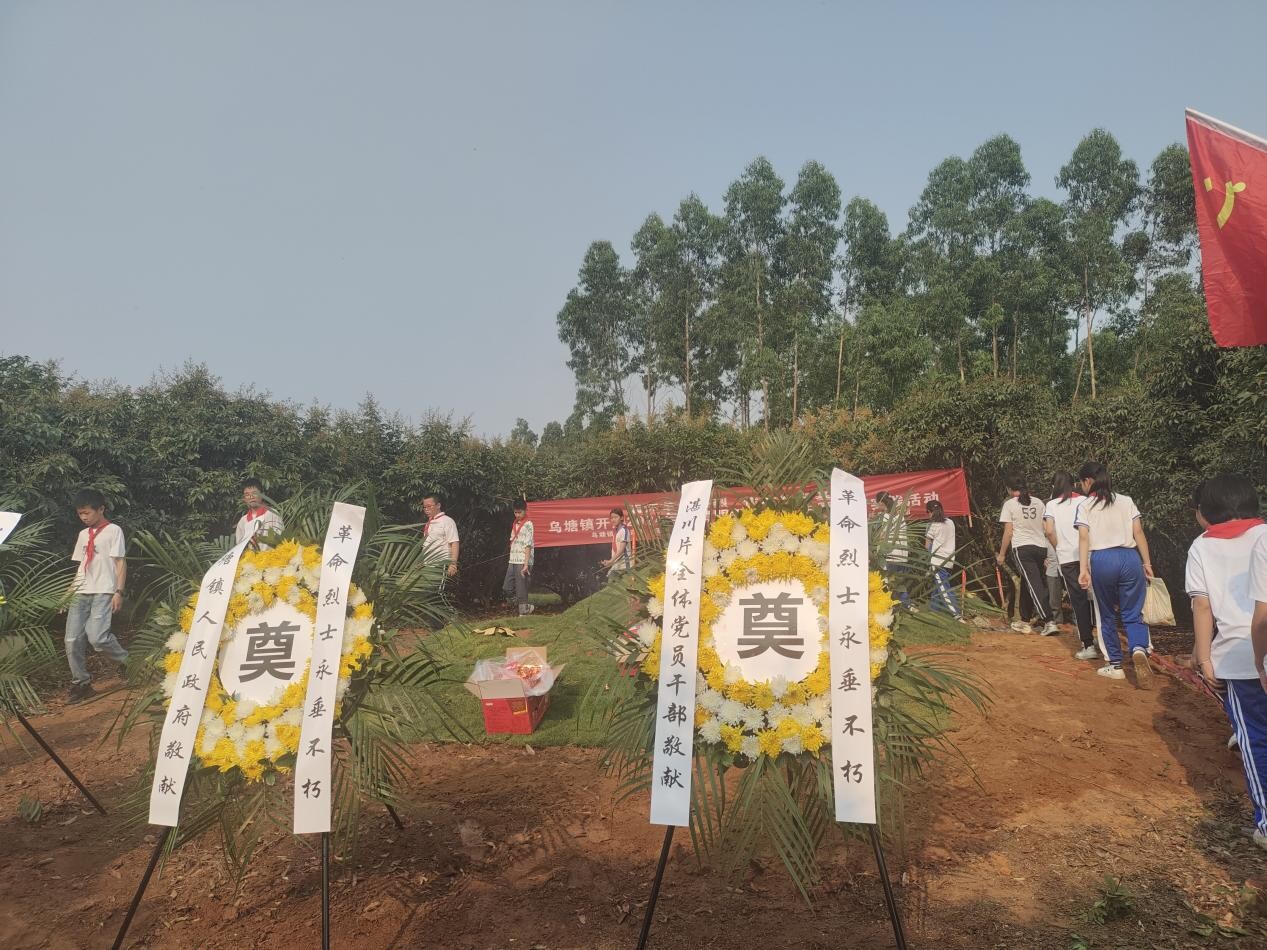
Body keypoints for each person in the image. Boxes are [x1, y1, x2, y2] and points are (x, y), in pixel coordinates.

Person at [1186, 475, 1267, 850]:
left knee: (1255, 740)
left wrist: (1204, 658)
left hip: (1240, 659)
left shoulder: (1202, 547)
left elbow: (1202, 606)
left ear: (1206, 511)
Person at [1076, 461, 1155, 686]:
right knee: (1134, 612)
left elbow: (1083, 537)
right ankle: (1138, 648)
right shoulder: (1126, 500)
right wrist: (1147, 562)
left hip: (1102, 559)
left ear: (1088, 481)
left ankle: (1115, 664)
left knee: (1107, 614)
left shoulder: (1085, 505)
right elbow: (1138, 532)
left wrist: (1083, 570)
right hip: (1130, 558)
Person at [64, 489, 129, 703]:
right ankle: (81, 683)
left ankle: (127, 663)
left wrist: (118, 591)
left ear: (101, 509)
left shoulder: (113, 531)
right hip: (81, 591)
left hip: (104, 590)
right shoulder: (83, 535)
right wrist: (69, 593)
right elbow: (82, 565)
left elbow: (120, 562)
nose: (83, 517)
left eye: (87, 513)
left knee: (98, 638)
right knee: (71, 640)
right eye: (80, 513)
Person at [1045, 471, 1099, 661]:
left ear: (1055, 486)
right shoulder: (1084, 500)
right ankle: (1101, 637)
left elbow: (1049, 530)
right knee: (1095, 597)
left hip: (1067, 557)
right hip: (1090, 554)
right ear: (1074, 483)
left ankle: (1088, 644)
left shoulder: (1052, 505)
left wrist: (1058, 546)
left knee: (1078, 600)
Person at [996, 474, 1058, 635]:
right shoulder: (1038, 502)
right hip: (1041, 547)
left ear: (1009, 489)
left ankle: (1049, 621)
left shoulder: (1009, 504)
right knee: (1028, 581)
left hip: (1022, 548)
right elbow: (1046, 528)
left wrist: (1001, 554)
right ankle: (1024, 620)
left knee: (1034, 584)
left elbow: (1008, 532)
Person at [924, 500, 962, 621]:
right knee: (938, 586)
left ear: (929, 512)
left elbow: (927, 545)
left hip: (937, 561)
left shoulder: (933, 525)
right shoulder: (950, 522)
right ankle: (934, 610)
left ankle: (956, 614)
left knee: (943, 587)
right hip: (949, 559)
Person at [875, 492, 911, 608]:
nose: (876, 505)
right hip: (902, 555)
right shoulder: (900, 517)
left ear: (881, 503)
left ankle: (891, 605)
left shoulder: (885, 517)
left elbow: (881, 536)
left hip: (891, 554)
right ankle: (906, 605)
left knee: (888, 582)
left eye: (877, 503)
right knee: (899, 583)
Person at [504, 499, 535, 616]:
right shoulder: (515, 523)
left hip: (523, 560)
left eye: (519, 512)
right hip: (513, 559)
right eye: (515, 512)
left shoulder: (528, 524)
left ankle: (523, 613)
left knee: (521, 588)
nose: (517, 515)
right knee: (507, 587)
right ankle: (527, 607)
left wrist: (526, 564)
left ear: (525, 510)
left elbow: (528, 545)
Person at [234, 477, 284, 545]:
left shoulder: (272, 514)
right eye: (247, 494)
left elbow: (281, 540)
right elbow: (239, 545)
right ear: (244, 498)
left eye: (254, 493)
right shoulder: (243, 521)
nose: (251, 497)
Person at [422, 495, 459, 578]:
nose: (426, 509)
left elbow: (454, 542)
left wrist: (453, 564)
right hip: (427, 565)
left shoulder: (447, 521)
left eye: (429, 506)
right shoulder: (429, 523)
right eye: (424, 507)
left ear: (438, 505)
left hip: (440, 565)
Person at [601, 507, 633, 579]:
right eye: (611, 518)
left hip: (624, 566)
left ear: (621, 518)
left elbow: (621, 550)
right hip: (616, 565)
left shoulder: (624, 530)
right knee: (610, 583)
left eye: (615, 517)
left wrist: (611, 561)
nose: (613, 519)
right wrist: (610, 562)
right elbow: (615, 550)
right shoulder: (616, 531)